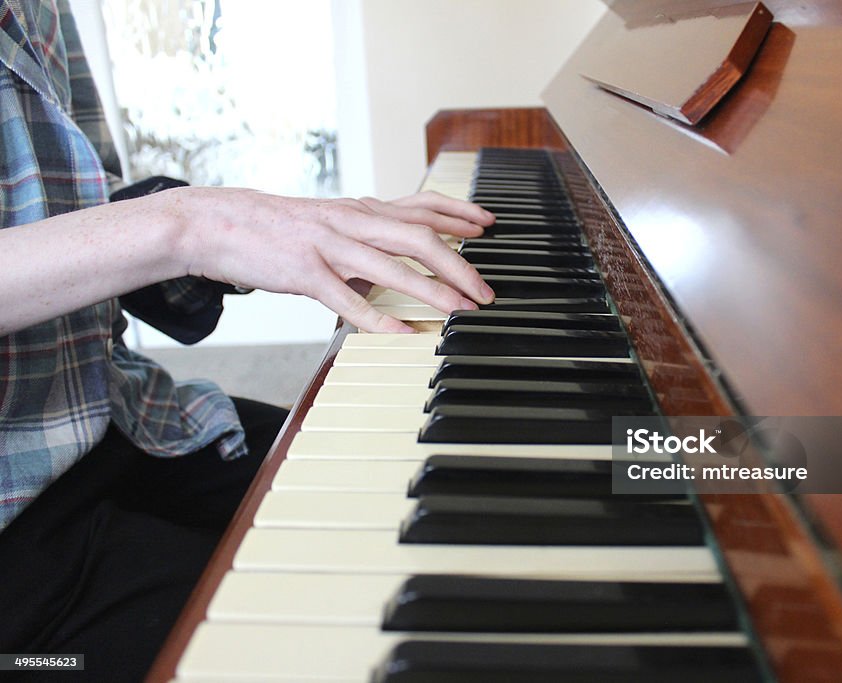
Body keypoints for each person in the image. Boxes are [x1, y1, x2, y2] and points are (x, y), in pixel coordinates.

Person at [0, 1, 494, 680]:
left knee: (421, 477)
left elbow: (79, 202)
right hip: (16, 547)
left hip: (117, 417)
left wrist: (275, 232)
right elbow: (166, 228)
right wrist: (193, 226)